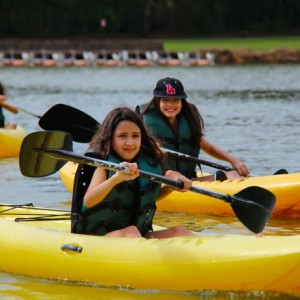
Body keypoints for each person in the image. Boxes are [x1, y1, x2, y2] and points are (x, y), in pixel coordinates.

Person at [71, 107, 195, 238]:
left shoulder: (146, 162)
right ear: (110, 138)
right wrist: (116, 178)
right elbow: (89, 201)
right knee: (131, 232)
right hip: (99, 235)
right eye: (122, 136)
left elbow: (143, 198)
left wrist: (170, 187)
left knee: (180, 231)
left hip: (138, 233)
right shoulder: (102, 164)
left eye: (135, 136)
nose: (129, 142)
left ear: (142, 137)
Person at [136, 77, 249, 181]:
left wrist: (233, 161)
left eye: (176, 100)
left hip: (188, 179)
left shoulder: (188, 121)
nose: (170, 105)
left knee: (234, 174)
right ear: (157, 101)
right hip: (160, 178)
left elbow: (209, 148)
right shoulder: (145, 121)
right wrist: (151, 146)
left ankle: (218, 180)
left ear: (182, 102)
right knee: (172, 174)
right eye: (165, 100)